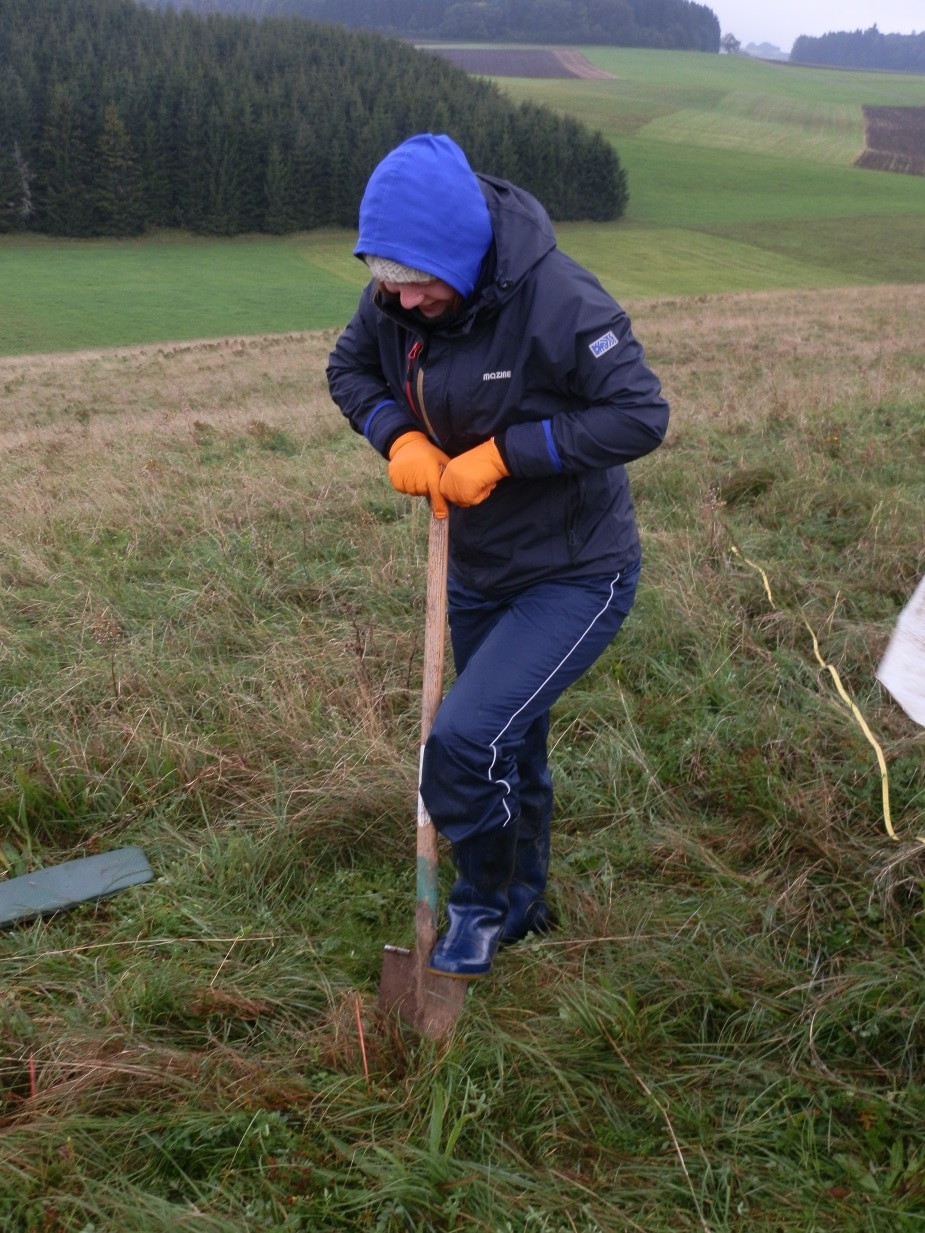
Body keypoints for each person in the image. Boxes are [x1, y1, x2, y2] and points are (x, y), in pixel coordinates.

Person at [326, 133, 669, 979]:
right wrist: (394, 432)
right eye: (388, 287)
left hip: (574, 570)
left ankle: (479, 906)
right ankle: (524, 900)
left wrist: (506, 454)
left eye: (418, 287)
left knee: (464, 741)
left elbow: (639, 414)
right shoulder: (398, 298)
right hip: (473, 565)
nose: (401, 306)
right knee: (510, 744)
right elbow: (347, 369)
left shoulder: (559, 300)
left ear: (463, 254)